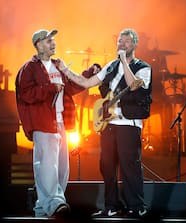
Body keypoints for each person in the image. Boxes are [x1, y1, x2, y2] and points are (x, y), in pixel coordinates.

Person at [58, 28, 152, 218]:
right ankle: (111, 206)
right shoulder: (110, 66)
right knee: (107, 165)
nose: (122, 44)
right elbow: (86, 83)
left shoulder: (143, 67)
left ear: (135, 44)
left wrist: (124, 61)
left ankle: (136, 206)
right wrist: (64, 69)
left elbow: (133, 86)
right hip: (109, 124)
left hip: (129, 123)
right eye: (120, 41)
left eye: (126, 41)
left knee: (129, 166)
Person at [15, 29, 101, 218]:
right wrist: (49, 88)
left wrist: (89, 74)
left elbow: (71, 87)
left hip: (60, 122)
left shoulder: (56, 66)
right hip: (43, 122)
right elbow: (26, 94)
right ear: (38, 44)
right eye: (48, 41)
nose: (53, 44)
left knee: (61, 167)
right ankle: (54, 203)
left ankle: (45, 207)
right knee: (47, 165)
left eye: (53, 40)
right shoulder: (29, 68)